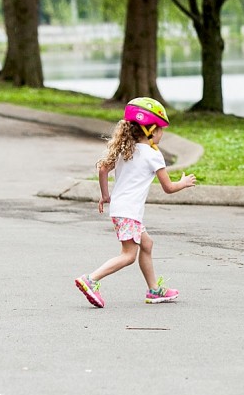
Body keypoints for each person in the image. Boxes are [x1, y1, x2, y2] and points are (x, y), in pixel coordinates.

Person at [74, 97, 197, 308]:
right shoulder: (153, 156)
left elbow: (103, 169)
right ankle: (91, 280)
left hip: (122, 210)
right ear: (150, 131)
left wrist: (105, 195)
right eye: (160, 129)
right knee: (129, 255)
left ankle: (154, 290)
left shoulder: (125, 150)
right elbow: (168, 188)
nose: (162, 133)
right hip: (129, 212)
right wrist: (183, 183)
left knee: (147, 244)